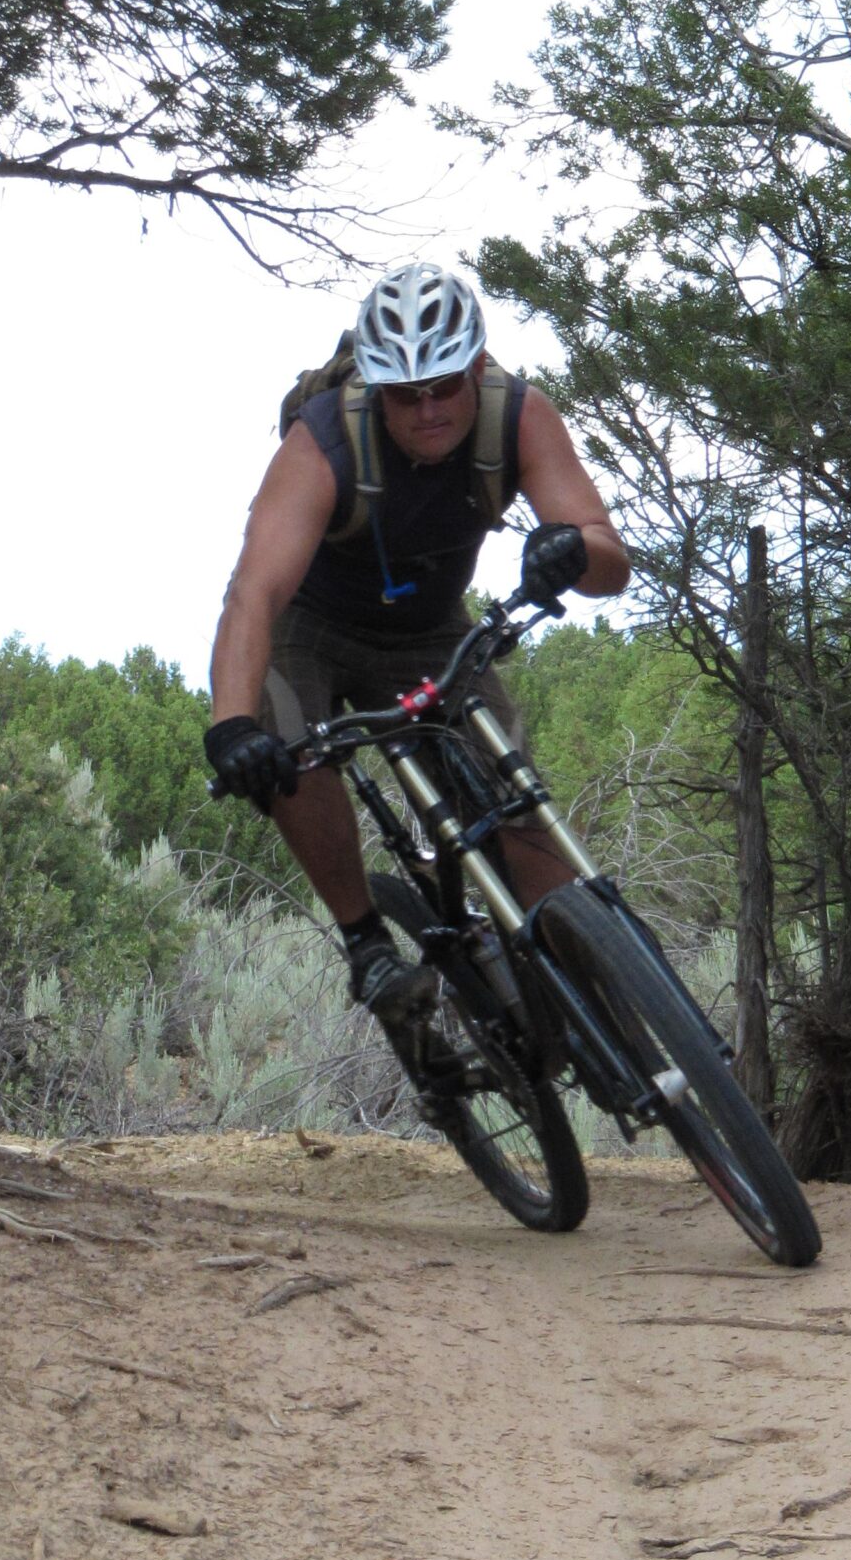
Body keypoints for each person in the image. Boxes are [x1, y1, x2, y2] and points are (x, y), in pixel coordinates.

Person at [206, 263, 631, 1034]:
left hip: (430, 628)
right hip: (310, 623)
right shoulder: (325, 440)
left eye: (443, 385)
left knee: (517, 804)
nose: (428, 408)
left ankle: (606, 1013)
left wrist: (572, 548)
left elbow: (610, 561)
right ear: (377, 388)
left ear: (476, 365)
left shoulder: (518, 416)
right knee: (287, 747)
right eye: (405, 394)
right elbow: (254, 593)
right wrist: (232, 726)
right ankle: (366, 942)